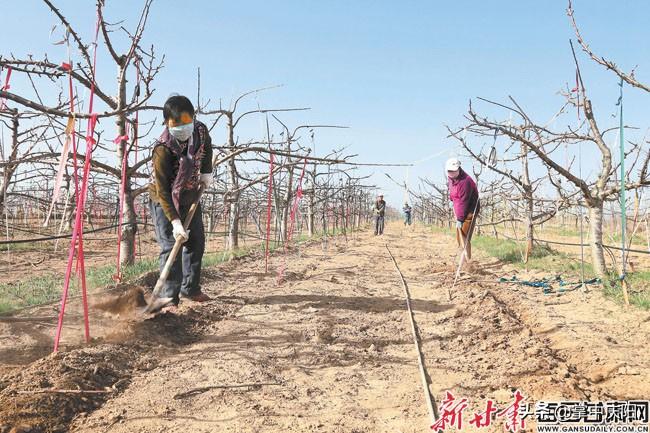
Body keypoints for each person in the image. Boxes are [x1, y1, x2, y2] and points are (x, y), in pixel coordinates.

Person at [148, 94, 213, 309]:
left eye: (186, 121)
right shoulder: (162, 149)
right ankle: (168, 298)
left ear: (193, 118)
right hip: (164, 201)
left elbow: (208, 148)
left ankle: (190, 288)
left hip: (190, 194)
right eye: (176, 123)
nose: (182, 127)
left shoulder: (200, 131)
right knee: (170, 247)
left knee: (196, 242)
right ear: (167, 122)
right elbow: (163, 190)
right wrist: (175, 222)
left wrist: (206, 172)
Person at [446, 157, 479, 269]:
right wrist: (451, 198)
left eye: (453, 171)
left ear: (459, 169)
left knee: (464, 236)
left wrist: (460, 219)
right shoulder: (451, 178)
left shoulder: (465, 182)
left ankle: (467, 262)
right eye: (449, 171)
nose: (451, 173)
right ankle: (464, 260)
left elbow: (463, 202)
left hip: (469, 211)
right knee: (460, 237)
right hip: (460, 209)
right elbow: (452, 191)